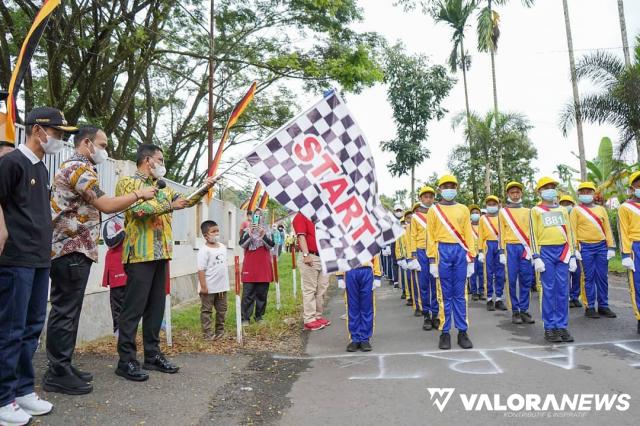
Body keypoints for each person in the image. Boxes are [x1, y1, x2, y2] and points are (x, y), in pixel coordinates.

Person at [45, 126, 158, 394]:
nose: (105, 150)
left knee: (70, 310)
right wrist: (138, 194)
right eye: (103, 144)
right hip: (69, 249)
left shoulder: (80, 168)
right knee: (65, 311)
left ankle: (63, 365)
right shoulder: (78, 169)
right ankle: (57, 372)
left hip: (74, 248)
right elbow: (106, 204)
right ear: (87, 143)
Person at [0, 107, 77, 425]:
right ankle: (3, 398)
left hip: (39, 259)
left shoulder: (42, 168)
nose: (60, 139)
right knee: (11, 330)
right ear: (38, 131)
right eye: (58, 133)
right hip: (15, 258)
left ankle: (21, 390)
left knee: (32, 327)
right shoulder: (10, 163)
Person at [114, 144, 217, 382]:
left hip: (161, 254)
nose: (162, 163)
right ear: (147, 160)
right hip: (139, 255)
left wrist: (204, 187)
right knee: (133, 309)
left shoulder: (162, 187)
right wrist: (170, 206)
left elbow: (186, 201)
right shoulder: (129, 184)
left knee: (156, 308)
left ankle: (152, 355)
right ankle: (126, 360)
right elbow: (138, 210)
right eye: (159, 159)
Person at [427, 174, 476, 350]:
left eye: (452, 186)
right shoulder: (434, 210)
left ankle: (462, 331)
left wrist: (471, 257)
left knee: (460, 293)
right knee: (444, 294)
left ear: (457, 188)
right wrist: (432, 260)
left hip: (460, 251)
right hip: (442, 251)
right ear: (440, 189)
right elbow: (430, 236)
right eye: (446, 186)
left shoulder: (463, 208)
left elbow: (468, 233)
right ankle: (445, 331)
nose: (449, 189)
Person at [530, 176, 577, 343]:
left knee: (563, 291)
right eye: (546, 187)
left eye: (552, 186)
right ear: (540, 191)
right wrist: (536, 256)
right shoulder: (535, 210)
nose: (550, 189)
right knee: (548, 291)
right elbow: (533, 235)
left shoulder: (563, 210)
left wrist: (572, 255)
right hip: (545, 252)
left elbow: (570, 233)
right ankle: (549, 327)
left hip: (563, 251)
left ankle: (562, 325)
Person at [570, 182, 617, 319]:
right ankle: (589, 306)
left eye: (588, 192)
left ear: (593, 193)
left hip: (601, 246)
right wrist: (575, 248)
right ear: (579, 194)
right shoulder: (575, 210)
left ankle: (603, 305)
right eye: (583, 192)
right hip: (585, 247)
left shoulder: (601, 210)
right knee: (588, 277)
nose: (586, 194)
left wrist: (611, 246)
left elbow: (607, 228)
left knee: (602, 277)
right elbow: (572, 230)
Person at [499, 182, 535, 325]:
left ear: (521, 194)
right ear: (508, 195)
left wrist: (533, 251)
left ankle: (524, 310)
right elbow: (501, 233)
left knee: (526, 280)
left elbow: (532, 232)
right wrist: (501, 251)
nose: (515, 194)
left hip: (525, 248)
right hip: (510, 248)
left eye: (517, 192)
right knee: (512, 280)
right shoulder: (503, 212)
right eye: (512, 192)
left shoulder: (529, 211)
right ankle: (515, 310)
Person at [292, 212, 330, 331]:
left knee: (322, 288)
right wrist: (305, 254)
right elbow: (301, 236)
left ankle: (317, 316)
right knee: (310, 289)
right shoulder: (301, 215)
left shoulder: (321, 216)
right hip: (310, 256)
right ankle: (309, 318)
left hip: (324, 257)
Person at [338, 254, 382, 352]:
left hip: (367, 270)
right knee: (352, 306)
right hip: (350, 270)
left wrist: (377, 275)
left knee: (367, 306)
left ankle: (365, 339)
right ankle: (355, 338)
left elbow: (376, 252)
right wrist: (340, 276)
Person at [410, 186, 439, 331]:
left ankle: (436, 314)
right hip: (421, 252)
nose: (428, 199)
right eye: (425, 196)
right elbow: (412, 236)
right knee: (423, 284)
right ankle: (426, 314)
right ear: (421, 198)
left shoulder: (438, 212)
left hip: (435, 251)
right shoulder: (415, 216)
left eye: (431, 196)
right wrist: (413, 255)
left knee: (436, 283)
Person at [240, 209, 275, 325]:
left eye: (260, 216)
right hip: (250, 266)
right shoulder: (247, 230)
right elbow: (242, 245)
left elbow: (271, 246)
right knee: (248, 294)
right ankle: (245, 318)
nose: (258, 218)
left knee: (262, 293)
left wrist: (263, 235)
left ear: (263, 218)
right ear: (252, 217)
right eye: (256, 216)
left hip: (264, 266)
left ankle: (259, 317)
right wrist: (250, 235)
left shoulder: (268, 231)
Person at [197, 220, 229, 340]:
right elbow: (201, 270)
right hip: (209, 288)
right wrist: (203, 286)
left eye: (217, 231)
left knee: (222, 310)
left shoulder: (223, 247)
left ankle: (220, 332)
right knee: (207, 311)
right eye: (213, 231)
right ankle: (207, 334)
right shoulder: (203, 250)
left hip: (222, 287)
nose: (216, 233)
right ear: (206, 235)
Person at [619, 171, 640, 334]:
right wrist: (626, 254)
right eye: (638, 183)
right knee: (638, 285)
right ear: (633, 187)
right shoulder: (625, 207)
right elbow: (623, 232)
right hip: (635, 247)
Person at [478, 195, 506, 311]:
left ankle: (499, 298)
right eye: (489, 204)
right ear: (486, 206)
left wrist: (504, 249)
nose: (492, 206)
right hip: (488, 246)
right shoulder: (482, 219)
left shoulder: (502, 217)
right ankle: (489, 298)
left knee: (500, 273)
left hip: (499, 245)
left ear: (498, 205)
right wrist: (480, 251)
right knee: (488, 273)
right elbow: (480, 235)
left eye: (494, 204)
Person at [102, 213, 128, 337]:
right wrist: (124, 230)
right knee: (118, 299)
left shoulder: (127, 220)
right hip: (116, 264)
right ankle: (118, 331)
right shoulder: (109, 223)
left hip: (128, 263)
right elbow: (110, 241)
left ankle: (127, 330)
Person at [559, 195, 583, 309]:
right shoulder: (558, 217)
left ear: (573, 205)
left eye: (568, 204)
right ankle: (567, 297)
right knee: (565, 274)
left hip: (576, 248)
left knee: (577, 273)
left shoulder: (577, 216)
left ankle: (575, 296)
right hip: (563, 249)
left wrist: (577, 248)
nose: (565, 206)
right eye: (563, 204)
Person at [468, 204, 485, 301]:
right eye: (473, 213)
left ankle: (482, 291)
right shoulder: (468, 226)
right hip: (472, 254)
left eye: (477, 213)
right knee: (472, 273)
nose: (475, 214)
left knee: (482, 273)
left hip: (482, 253)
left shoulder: (483, 225)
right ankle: (474, 292)